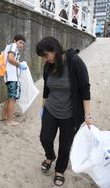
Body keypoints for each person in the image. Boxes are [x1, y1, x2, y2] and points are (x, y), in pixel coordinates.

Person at [36, 36, 92, 186]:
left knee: (65, 144)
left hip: (70, 114)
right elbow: (46, 89)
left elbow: (85, 89)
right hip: (51, 109)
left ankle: (60, 170)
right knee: (45, 138)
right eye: (43, 57)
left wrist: (87, 115)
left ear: (55, 50)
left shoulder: (74, 62)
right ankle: (50, 156)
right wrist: (43, 108)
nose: (45, 59)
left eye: (46, 55)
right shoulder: (48, 66)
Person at [0, 34, 26, 126]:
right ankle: (10, 120)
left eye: (23, 44)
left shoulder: (9, 47)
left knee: (9, 97)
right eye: (20, 42)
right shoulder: (13, 46)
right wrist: (20, 64)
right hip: (12, 77)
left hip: (9, 77)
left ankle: (3, 116)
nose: (21, 45)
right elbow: (11, 59)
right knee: (12, 98)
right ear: (15, 41)